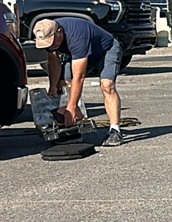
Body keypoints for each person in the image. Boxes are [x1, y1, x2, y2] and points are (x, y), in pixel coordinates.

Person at [33, 18, 124, 147]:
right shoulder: (48, 32)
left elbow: (79, 77)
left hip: (106, 50)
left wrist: (72, 106)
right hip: (80, 55)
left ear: (59, 32)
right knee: (61, 85)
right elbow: (53, 62)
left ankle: (115, 130)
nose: (51, 46)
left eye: (52, 42)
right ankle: (71, 128)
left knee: (107, 85)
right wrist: (53, 85)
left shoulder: (77, 35)